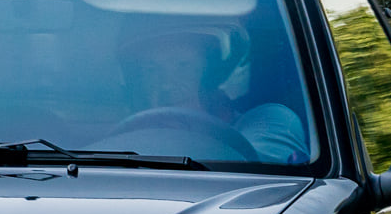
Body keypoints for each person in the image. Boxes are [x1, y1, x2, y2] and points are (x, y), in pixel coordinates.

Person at [123, 29, 308, 163]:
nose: (166, 81)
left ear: (209, 72)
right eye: (152, 69)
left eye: (182, 65)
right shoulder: (122, 138)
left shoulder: (272, 120)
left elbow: (258, 172)